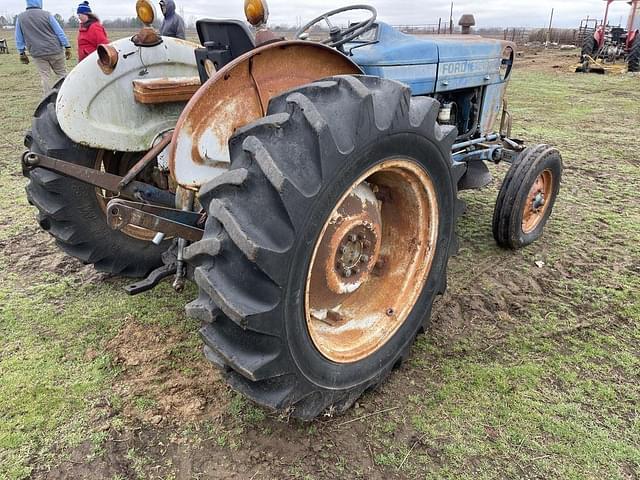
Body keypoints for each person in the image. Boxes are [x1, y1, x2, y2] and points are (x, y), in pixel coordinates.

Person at [15, 0, 72, 94]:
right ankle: (67, 94)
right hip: (55, 50)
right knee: (62, 73)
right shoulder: (47, 15)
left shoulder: (20, 18)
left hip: (37, 53)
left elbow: (18, 37)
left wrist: (21, 52)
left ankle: (49, 99)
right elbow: (59, 31)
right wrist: (67, 46)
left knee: (45, 76)